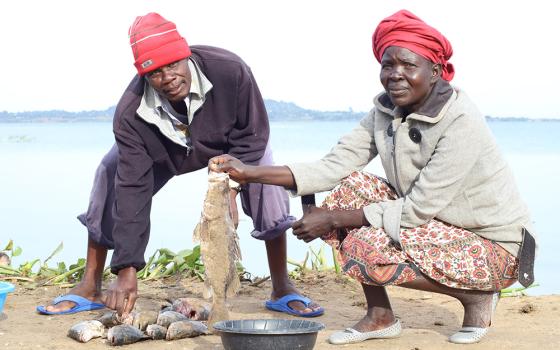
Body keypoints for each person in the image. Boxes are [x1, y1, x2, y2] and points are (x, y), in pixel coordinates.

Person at [210, 9, 535, 345]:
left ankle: (476, 296)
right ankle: (380, 316)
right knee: (353, 187)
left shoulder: (461, 121)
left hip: (493, 246)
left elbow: (417, 209)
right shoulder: (385, 111)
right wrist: (249, 173)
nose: (395, 75)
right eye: (388, 65)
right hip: (436, 227)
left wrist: (332, 218)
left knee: (365, 244)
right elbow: (335, 165)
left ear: (435, 71)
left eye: (408, 66)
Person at [37, 12, 323, 318]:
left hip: (227, 150)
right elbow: (132, 190)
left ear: (186, 54)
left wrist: (232, 189)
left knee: (265, 167)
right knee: (110, 171)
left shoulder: (231, 71)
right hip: (164, 153)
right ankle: (91, 284)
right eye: (156, 73)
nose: (168, 77)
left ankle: (282, 285)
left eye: (173, 64)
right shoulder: (130, 114)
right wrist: (127, 266)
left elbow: (252, 137)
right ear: (144, 76)